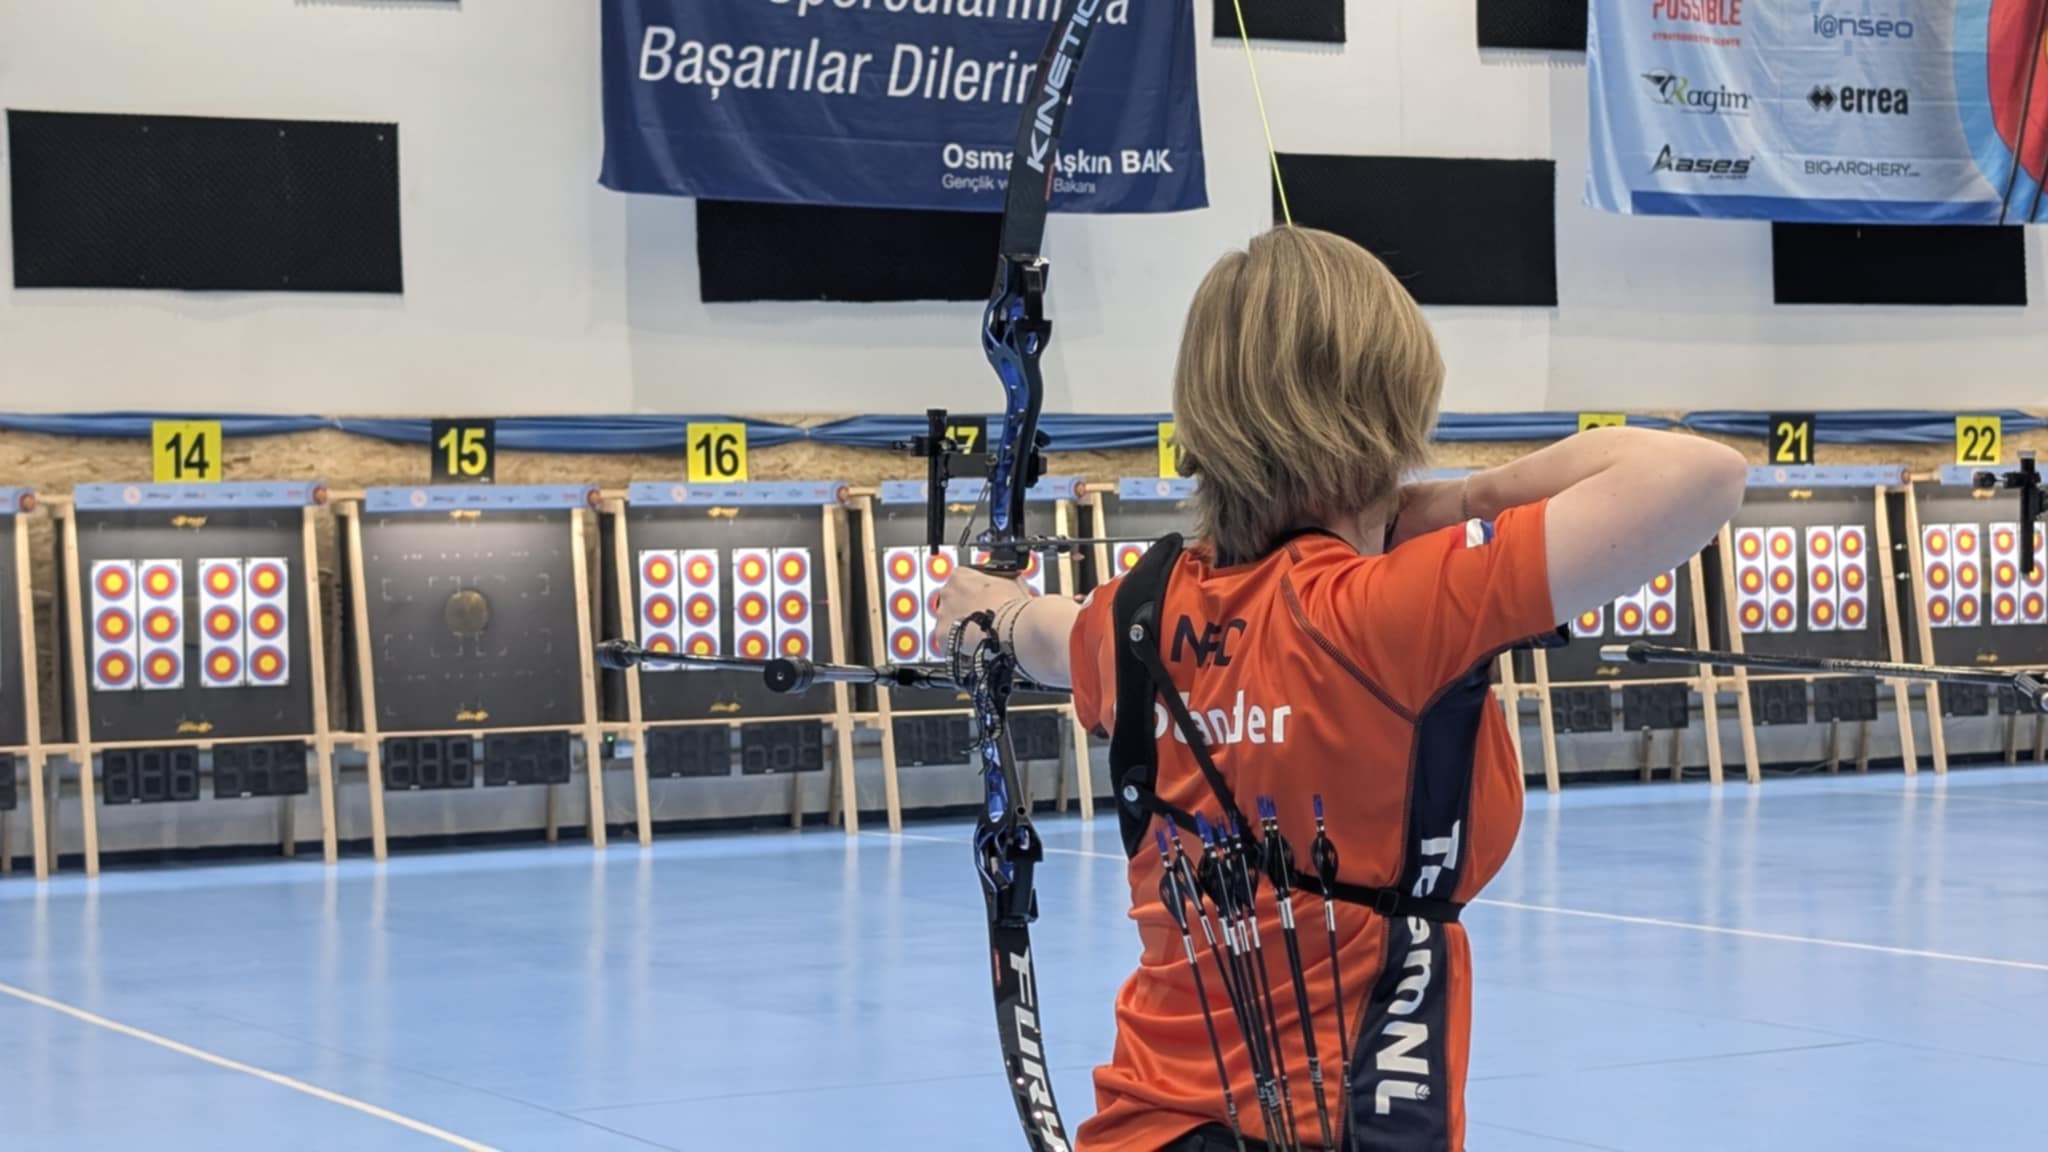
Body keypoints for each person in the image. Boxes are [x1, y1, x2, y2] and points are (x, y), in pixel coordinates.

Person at [935, 226, 1747, 1152]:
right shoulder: (1395, 606)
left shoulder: (1137, 616)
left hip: (1141, 1130)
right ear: (1380, 422)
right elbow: (1701, 476)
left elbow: (1037, 631)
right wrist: (1462, 503)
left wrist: (987, 609)